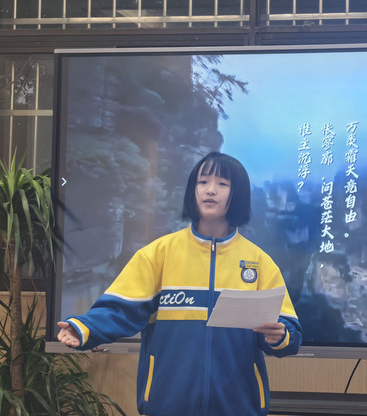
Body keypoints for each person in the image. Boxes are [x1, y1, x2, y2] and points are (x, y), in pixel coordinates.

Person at [57, 152, 303, 416]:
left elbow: (290, 332)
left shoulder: (260, 263)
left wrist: (281, 336)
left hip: (239, 406)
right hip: (168, 404)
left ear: (239, 194)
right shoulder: (158, 254)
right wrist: (84, 327)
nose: (210, 190)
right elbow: (120, 310)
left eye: (222, 184)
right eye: (202, 182)